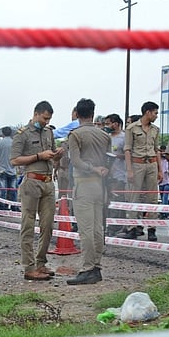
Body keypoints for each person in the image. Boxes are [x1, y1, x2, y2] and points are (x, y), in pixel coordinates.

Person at [11, 100, 64, 281]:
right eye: (44, 118)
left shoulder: (49, 132)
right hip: (32, 182)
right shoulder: (22, 134)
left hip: (48, 182)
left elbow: (53, 155)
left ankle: (41, 263)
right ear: (36, 114)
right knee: (28, 225)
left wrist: (57, 155)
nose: (46, 122)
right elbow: (15, 160)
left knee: (47, 225)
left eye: (48, 119)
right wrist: (38, 156)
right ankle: (29, 266)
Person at [65, 99, 111, 285]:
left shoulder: (75, 135)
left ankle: (87, 268)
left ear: (77, 113)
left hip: (84, 184)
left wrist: (91, 168)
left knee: (86, 230)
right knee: (98, 228)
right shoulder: (104, 135)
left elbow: (76, 162)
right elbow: (109, 159)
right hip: (100, 186)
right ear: (93, 112)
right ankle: (97, 267)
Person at [119, 102, 162, 241]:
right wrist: (129, 169)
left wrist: (160, 169)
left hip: (152, 164)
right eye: (155, 113)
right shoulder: (131, 128)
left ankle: (152, 229)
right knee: (134, 196)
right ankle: (132, 228)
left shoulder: (156, 129)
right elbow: (127, 149)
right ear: (147, 112)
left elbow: (157, 150)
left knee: (152, 198)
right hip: (137, 164)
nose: (156, 116)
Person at [104, 114, 127, 236]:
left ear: (116, 124)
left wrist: (116, 156)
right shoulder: (107, 137)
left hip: (120, 174)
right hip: (108, 174)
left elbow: (129, 155)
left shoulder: (124, 138)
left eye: (109, 123)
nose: (107, 126)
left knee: (118, 201)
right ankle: (110, 225)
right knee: (109, 201)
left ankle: (117, 227)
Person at [0, 126, 18, 211]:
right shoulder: (14, 143)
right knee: (13, 190)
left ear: (2, 133)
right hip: (13, 169)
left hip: (2, 170)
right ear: (11, 133)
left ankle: (2, 207)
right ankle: (14, 207)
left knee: (3, 190)